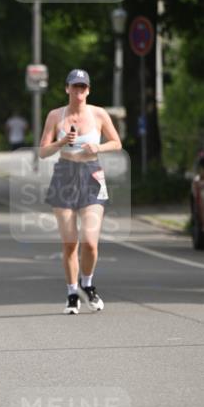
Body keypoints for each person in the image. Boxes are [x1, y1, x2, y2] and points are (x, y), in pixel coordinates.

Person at [39, 68, 122, 314]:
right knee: (69, 243)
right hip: (64, 174)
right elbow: (43, 151)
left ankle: (88, 283)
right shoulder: (56, 115)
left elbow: (116, 143)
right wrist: (61, 142)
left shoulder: (99, 114)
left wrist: (97, 148)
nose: (79, 91)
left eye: (83, 87)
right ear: (67, 89)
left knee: (90, 242)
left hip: (92, 175)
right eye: (74, 87)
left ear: (88, 90)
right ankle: (72, 292)